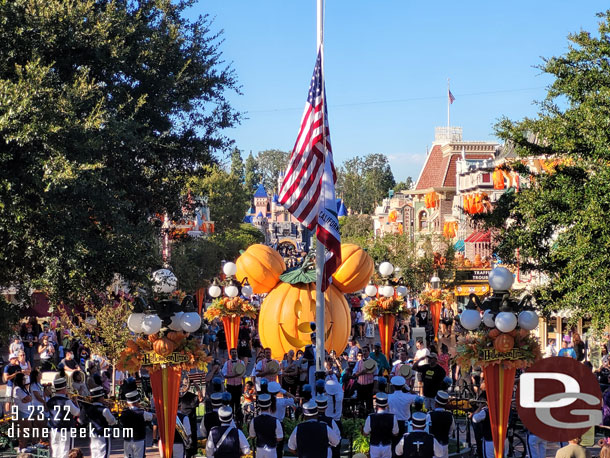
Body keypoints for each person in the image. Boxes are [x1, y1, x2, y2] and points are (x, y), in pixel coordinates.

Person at [47, 375, 80, 458]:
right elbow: (76, 413)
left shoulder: (50, 400)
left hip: (54, 429)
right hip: (66, 429)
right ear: (63, 389)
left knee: (55, 451)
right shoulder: (66, 401)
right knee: (65, 452)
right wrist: (76, 402)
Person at [81, 386, 118, 458]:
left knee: (95, 455)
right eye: (103, 396)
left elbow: (82, 420)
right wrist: (109, 409)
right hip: (103, 436)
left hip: (93, 435)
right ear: (100, 398)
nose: (104, 398)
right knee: (103, 455)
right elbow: (112, 421)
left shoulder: (88, 409)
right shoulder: (104, 410)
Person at [363, 393, 399, 458]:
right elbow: (395, 433)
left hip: (374, 445)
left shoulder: (370, 417)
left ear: (376, 404)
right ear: (386, 405)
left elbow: (365, 433)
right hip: (387, 445)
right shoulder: (392, 417)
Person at [120, 390, 154, 458]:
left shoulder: (124, 413)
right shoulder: (142, 413)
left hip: (127, 440)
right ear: (137, 401)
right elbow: (153, 416)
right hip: (139, 439)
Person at [388, 375, 418, 450]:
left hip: (393, 422)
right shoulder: (408, 396)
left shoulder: (389, 397)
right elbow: (418, 397)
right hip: (405, 423)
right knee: (405, 444)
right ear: (403, 386)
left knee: (394, 444)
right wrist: (409, 389)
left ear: (393, 386)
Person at [249, 394, 283, 458]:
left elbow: (252, 436)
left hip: (259, 449)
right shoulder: (276, 421)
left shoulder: (254, 420)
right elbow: (280, 438)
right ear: (269, 405)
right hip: (271, 449)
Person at [268, 381, 296, 458]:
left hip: (268, 424)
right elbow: (294, 399)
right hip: (279, 424)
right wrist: (284, 391)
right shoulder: (282, 401)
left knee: (269, 447)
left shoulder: (265, 401)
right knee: (279, 448)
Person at [179, 376, 202, 458]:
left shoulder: (181, 397)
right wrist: (196, 386)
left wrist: (192, 385)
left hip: (186, 424)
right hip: (188, 424)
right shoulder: (184, 397)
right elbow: (200, 398)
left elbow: (200, 398)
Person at [427, 391, 455, 458]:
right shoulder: (449, 415)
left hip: (433, 445)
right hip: (444, 444)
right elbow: (451, 430)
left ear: (436, 403)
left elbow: (427, 430)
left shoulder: (430, 415)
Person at [222, 348, 245, 425]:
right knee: (231, 403)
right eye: (233, 352)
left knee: (238, 403)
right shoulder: (227, 363)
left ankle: (239, 420)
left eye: (235, 352)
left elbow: (243, 375)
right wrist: (234, 375)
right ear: (230, 354)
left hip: (238, 385)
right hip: (230, 386)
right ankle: (231, 420)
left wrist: (243, 386)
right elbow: (225, 375)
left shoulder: (241, 362)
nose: (234, 353)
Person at [13, 373, 32, 451]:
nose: (25, 381)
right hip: (21, 412)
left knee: (27, 429)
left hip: (27, 411)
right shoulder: (17, 389)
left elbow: (29, 398)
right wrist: (26, 399)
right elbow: (27, 398)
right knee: (23, 430)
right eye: (23, 379)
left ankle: (25, 446)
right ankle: (21, 447)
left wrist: (26, 399)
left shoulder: (23, 388)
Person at [354, 346, 376, 413]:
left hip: (369, 386)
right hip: (360, 386)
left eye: (366, 351)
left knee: (369, 404)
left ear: (369, 352)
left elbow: (376, 376)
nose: (364, 352)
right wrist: (361, 373)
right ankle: (361, 419)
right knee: (360, 405)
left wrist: (375, 387)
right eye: (363, 351)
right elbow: (354, 373)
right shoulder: (359, 362)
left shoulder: (373, 362)